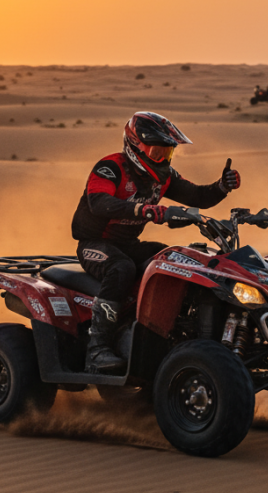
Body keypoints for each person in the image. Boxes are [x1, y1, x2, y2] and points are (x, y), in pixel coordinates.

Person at [71, 111, 240, 373]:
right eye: (157, 153)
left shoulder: (163, 177)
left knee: (173, 259)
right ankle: (97, 350)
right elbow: (99, 202)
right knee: (121, 269)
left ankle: (165, 334)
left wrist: (221, 186)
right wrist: (147, 210)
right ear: (135, 146)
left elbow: (197, 196)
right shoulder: (111, 167)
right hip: (94, 244)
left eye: (167, 153)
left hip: (127, 244)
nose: (163, 159)